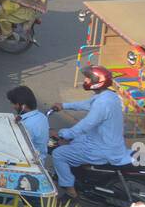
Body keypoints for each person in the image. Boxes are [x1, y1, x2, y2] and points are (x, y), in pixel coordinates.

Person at [49, 65, 132, 198]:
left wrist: (61, 134)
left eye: (88, 78)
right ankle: (80, 172)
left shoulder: (102, 103)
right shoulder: (109, 96)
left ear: (98, 82)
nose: (85, 81)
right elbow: (86, 104)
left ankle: (70, 190)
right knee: (75, 140)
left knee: (59, 154)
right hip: (107, 142)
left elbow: (86, 124)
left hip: (102, 149)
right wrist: (63, 106)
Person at [8, 86, 49, 161]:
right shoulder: (42, 116)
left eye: (14, 104)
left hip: (30, 161)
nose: (13, 106)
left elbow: (16, 147)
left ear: (23, 106)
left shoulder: (26, 126)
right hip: (41, 156)